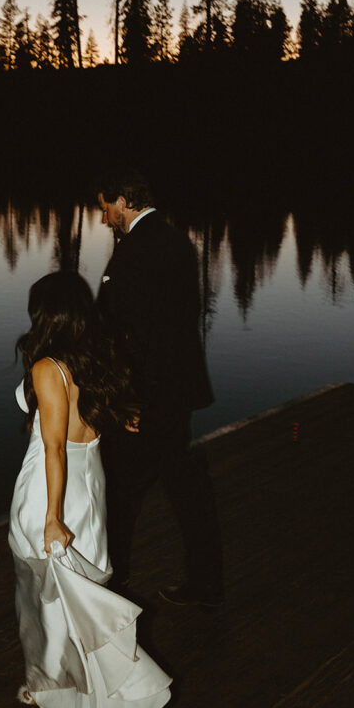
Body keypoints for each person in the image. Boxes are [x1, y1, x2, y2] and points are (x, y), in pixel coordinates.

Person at [8, 271, 171, 708]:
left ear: (47, 316)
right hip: (92, 491)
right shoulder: (98, 360)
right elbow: (106, 415)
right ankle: (48, 690)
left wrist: (53, 517)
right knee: (77, 614)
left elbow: (54, 445)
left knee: (45, 606)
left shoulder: (47, 367)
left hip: (51, 496)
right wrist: (125, 415)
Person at [96, 172, 224, 608]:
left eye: (105, 206)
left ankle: (112, 587)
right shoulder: (173, 240)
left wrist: (133, 399)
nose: (102, 216)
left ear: (123, 200)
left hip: (149, 395)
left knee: (120, 491)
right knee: (184, 486)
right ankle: (205, 582)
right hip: (176, 389)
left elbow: (139, 332)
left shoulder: (138, 249)